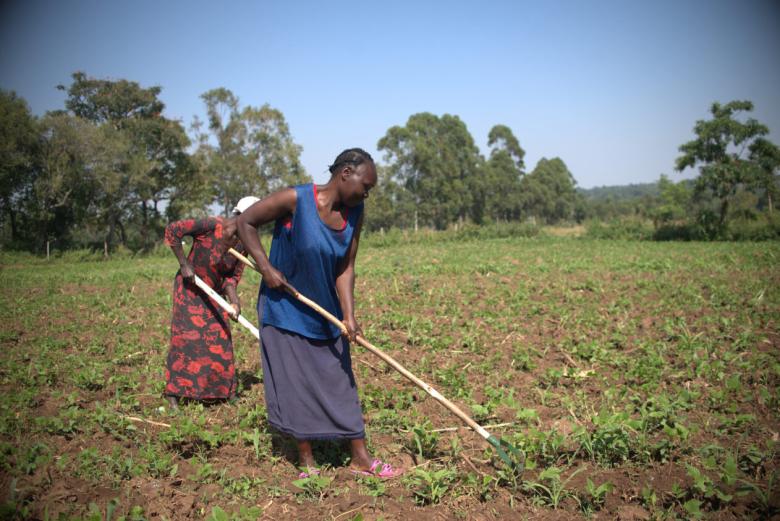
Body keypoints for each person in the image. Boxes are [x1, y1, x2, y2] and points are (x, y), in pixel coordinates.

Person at [237, 148, 401, 478]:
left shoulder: (355, 213)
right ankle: (307, 462)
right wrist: (266, 267)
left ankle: (360, 457)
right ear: (345, 174)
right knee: (295, 383)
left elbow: (346, 266)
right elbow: (245, 222)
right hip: (285, 309)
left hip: (325, 311)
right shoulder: (295, 199)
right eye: (365, 185)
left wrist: (349, 315)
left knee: (342, 381)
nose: (367, 193)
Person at [163, 196, 259, 410]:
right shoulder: (211, 225)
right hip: (189, 290)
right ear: (242, 216)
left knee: (221, 339)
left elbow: (231, 278)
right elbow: (173, 230)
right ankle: (173, 393)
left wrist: (234, 301)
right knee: (185, 341)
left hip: (213, 293)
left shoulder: (242, 245)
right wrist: (184, 263)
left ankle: (223, 392)